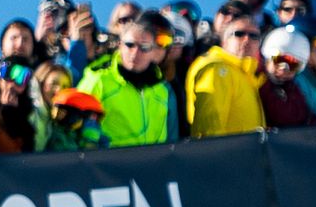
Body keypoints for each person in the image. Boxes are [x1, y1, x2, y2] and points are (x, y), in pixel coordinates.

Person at [76, 18, 182, 147]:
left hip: (153, 164)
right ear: (119, 45)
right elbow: (75, 126)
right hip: (108, 164)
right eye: (130, 45)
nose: (135, 52)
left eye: (144, 47)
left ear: (153, 52)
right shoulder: (98, 80)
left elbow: (172, 140)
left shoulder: (162, 90)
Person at [185, 13, 267, 137]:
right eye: (239, 34)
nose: (247, 39)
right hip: (224, 154)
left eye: (254, 36)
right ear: (224, 41)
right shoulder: (217, 68)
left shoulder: (247, 77)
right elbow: (210, 125)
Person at [258, 27, 316, 128]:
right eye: (279, 60)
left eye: (292, 64)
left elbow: (305, 116)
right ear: (267, 57)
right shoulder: (257, 84)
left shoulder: (293, 91)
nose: (284, 69)